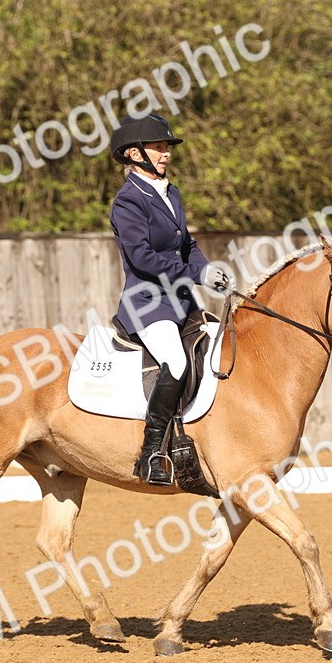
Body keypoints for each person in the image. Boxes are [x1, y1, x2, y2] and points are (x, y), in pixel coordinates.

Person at [109, 114, 230, 485]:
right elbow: (142, 257)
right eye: (159, 147)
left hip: (182, 300)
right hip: (147, 302)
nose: (166, 154)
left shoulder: (170, 192)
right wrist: (196, 274)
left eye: (166, 148)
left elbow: (187, 245)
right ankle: (151, 453)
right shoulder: (127, 202)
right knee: (175, 363)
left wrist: (209, 271)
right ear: (135, 153)